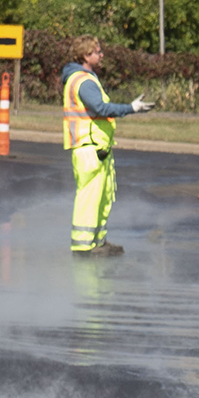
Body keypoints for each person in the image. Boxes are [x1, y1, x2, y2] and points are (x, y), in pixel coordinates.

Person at [60, 36, 154, 256]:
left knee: (101, 198)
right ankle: (83, 247)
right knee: (89, 199)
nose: (101, 55)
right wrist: (131, 107)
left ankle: (98, 241)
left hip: (96, 149)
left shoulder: (84, 78)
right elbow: (100, 109)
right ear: (85, 56)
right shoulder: (83, 81)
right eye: (97, 52)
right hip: (89, 148)